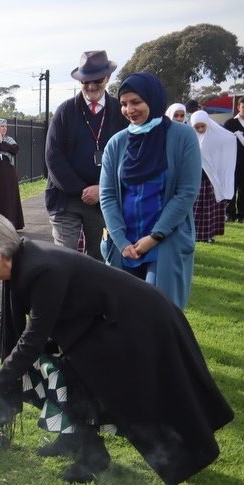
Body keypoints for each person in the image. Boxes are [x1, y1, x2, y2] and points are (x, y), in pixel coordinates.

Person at [0, 210, 233, 485]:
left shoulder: (40, 268)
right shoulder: (21, 261)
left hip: (138, 324)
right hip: (107, 322)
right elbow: (7, 322)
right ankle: (76, 441)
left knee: (147, 396)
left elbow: (32, 338)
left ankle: (96, 457)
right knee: (59, 366)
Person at [99, 72, 201, 309]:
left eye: (136, 102)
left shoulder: (182, 136)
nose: (129, 110)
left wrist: (155, 237)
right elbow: (108, 195)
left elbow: (186, 192)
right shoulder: (117, 143)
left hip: (165, 239)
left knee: (159, 310)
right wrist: (122, 241)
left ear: (153, 99)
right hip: (124, 243)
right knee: (121, 313)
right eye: (123, 104)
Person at [45, 50, 127, 260]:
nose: (91, 86)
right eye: (85, 81)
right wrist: (82, 190)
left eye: (97, 80)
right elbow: (53, 156)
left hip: (104, 200)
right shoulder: (65, 111)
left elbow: (129, 158)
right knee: (65, 258)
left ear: (107, 78)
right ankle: (67, 293)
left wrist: (103, 189)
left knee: (100, 259)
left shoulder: (120, 112)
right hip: (66, 198)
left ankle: (94, 294)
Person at [190, 111, 236, 243]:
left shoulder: (216, 136)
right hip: (195, 179)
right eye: (197, 127)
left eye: (202, 126)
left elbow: (225, 143)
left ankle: (210, 234)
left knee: (210, 209)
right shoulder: (190, 137)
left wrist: (232, 137)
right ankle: (196, 234)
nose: (200, 129)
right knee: (195, 209)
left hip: (211, 180)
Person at [0, 118, 25, 229]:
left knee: (8, 197)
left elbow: (15, 149)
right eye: (2, 126)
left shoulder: (9, 139)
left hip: (8, 174)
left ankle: (11, 223)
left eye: (6, 126)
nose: (4, 128)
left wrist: (2, 143)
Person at [222, 96, 244, 223]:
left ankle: (241, 214)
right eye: (243, 107)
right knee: (231, 187)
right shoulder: (230, 123)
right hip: (232, 161)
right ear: (238, 107)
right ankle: (229, 213)